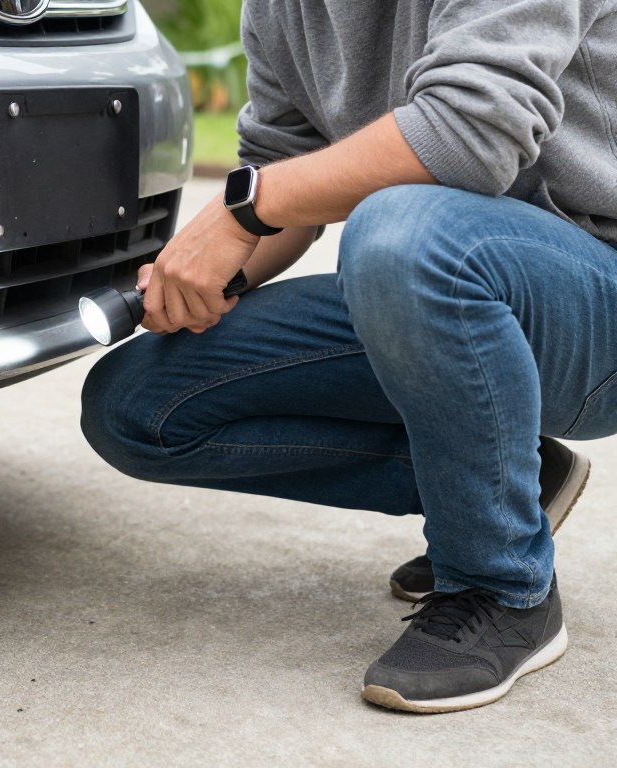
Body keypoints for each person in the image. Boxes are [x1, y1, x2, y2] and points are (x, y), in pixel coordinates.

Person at [80, 0, 617, 713]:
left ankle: (502, 585)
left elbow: (469, 134)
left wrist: (244, 208)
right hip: (439, 283)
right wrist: (202, 272)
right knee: (136, 407)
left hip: (594, 300)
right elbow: (282, 180)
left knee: (400, 231)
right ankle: (505, 485)